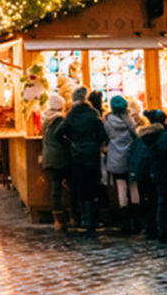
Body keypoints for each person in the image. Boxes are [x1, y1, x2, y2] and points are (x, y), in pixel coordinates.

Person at [56, 87, 106, 236]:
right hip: (92, 155)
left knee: (80, 187)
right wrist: (95, 143)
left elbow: (58, 133)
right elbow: (102, 134)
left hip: (77, 155)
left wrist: (70, 143)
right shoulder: (93, 115)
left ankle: (83, 219)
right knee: (92, 187)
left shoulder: (71, 116)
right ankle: (92, 221)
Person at [137, 109, 167, 243]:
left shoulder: (145, 136)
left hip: (149, 172)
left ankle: (152, 230)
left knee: (153, 202)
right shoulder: (162, 136)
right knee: (165, 202)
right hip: (161, 172)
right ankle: (166, 232)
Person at [104, 95, 139, 234]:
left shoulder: (107, 122)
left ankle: (124, 220)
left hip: (116, 158)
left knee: (121, 187)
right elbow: (136, 134)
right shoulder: (129, 121)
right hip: (130, 158)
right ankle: (136, 219)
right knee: (133, 186)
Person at [41, 92, 73, 231]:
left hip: (48, 156)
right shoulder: (59, 120)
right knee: (70, 185)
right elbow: (61, 136)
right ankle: (71, 216)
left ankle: (57, 218)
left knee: (55, 188)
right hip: (61, 157)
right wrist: (69, 143)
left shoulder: (45, 119)